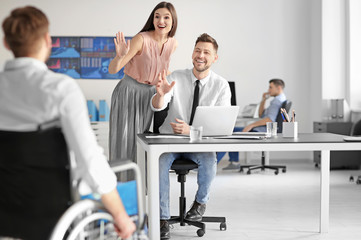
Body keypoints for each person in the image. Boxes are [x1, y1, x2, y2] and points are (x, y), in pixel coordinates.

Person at [0, 6, 135, 239]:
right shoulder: (60, 89)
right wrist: (120, 216)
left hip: (4, 214)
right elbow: (90, 160)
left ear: (7, 43)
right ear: (47, 40)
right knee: (130, 190)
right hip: (51, 215)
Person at [151, 33, 231, 239]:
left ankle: (199, 204)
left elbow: (221, 127)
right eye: (197, 50)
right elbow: (157, 105)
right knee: (159, 164)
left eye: (206, 52)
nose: (200, 55)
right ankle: (162, 218)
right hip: (169, 141)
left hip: (199, 143)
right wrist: (160, 95)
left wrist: (191, 131)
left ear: (215, 58)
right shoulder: (175, 77)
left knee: (209, 159)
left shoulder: (221, 85)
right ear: (192, 53)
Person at [108, 2, 178, 166]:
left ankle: (141, 186)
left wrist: (175, 78)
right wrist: (119, 56)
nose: (161, 21)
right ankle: (122, 186)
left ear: (173, 21)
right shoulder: (141, 39)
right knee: (124, 141)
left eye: (166, 17)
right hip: (129, 93)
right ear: (152, 20)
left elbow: (160, 67)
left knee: (142, 143)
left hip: (149, 96)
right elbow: (113, 69)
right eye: (157, 16)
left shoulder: (173, 44)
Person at [219, 79, 287, 169]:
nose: (268, 90)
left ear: (278, 88)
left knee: (230, 132)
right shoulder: (280, 99)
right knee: (232, 131)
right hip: (267, 128)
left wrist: (251, 125)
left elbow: (270, 119)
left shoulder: (276, 101)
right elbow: (261, 115)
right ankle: (233, 162)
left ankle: (214, 163)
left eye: (271, 87)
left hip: (264, 130)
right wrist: (263, 100)